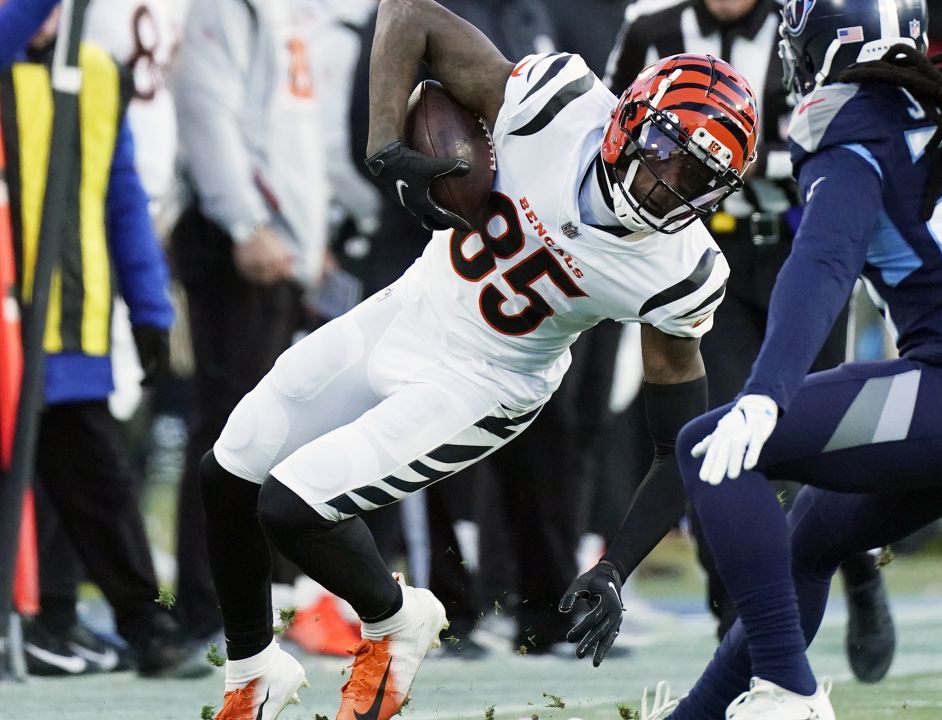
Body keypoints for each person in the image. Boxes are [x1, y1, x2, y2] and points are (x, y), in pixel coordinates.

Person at [198, 1, 759, 718]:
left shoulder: (678, 272)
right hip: (411, 307)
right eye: (667, 153)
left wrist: (616, 568)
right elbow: (409, 13)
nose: (670, 184)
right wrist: (382, 141)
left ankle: (397, 619)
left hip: (487, 381)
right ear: (627, 120)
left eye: (698, 177)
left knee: (293, 503)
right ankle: (252, 669)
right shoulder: (557, 106)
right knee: (230, 469)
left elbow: (673, 442)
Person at [575, 0, 942, 715]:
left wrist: (767, 392)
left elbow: (824, 264)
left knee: (713, 447)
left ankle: (789, 692)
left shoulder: (852, 127)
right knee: (806, 540)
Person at [602, 0, 893, 681]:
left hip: (803, 256)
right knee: (719, 444)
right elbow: (609, 132)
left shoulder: (810, 27)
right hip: (709, 261)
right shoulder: (654, 33)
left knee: (822, 441)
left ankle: (859, 567)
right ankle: (736, 632)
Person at [0, 0, 208, 679]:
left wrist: (150, 310)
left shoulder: (95, 70)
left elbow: (124, 198)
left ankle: (148, 627)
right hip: (7, 325)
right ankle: (37, 622)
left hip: (72, 324)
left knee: (100, 487)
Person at [169, 0, 330, 645]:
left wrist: (307, 231)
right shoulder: (225, 6)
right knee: (229, 433)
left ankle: (258, 604)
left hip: (279, 244)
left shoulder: (285, 11)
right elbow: (206, 111)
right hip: (241, 243)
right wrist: (244, 220)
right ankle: (206, 609)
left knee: (276, 432)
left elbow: (292, 133)